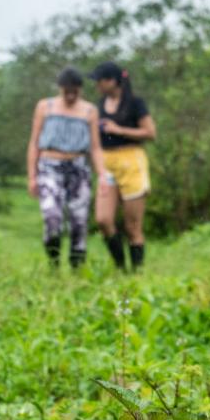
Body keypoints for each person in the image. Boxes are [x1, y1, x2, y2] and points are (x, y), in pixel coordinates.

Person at [26, 67, 109, 268]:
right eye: (67, 91)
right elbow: (34, 142)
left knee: (79, 221)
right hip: (49, 166)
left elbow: (96, 147)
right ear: (60, 88)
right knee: (52, 216)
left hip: (78, 168)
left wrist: (103, 175)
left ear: (80, 90)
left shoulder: (89, 111)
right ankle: (53, 260)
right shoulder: (45, 106)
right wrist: (32, 176)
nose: (71, 95)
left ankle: (76, 267)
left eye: (75, 91)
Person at [90, 61, 157, 271]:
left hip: (132, 161)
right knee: (103, 220)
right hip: (107, 164)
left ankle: (135, 272)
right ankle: (120, 265)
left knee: (132, 226)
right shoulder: (99, 106)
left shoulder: (135, 103)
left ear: (112, 81)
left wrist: (119, 130)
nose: (96, 86)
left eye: (99, 81)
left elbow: (150, 133)